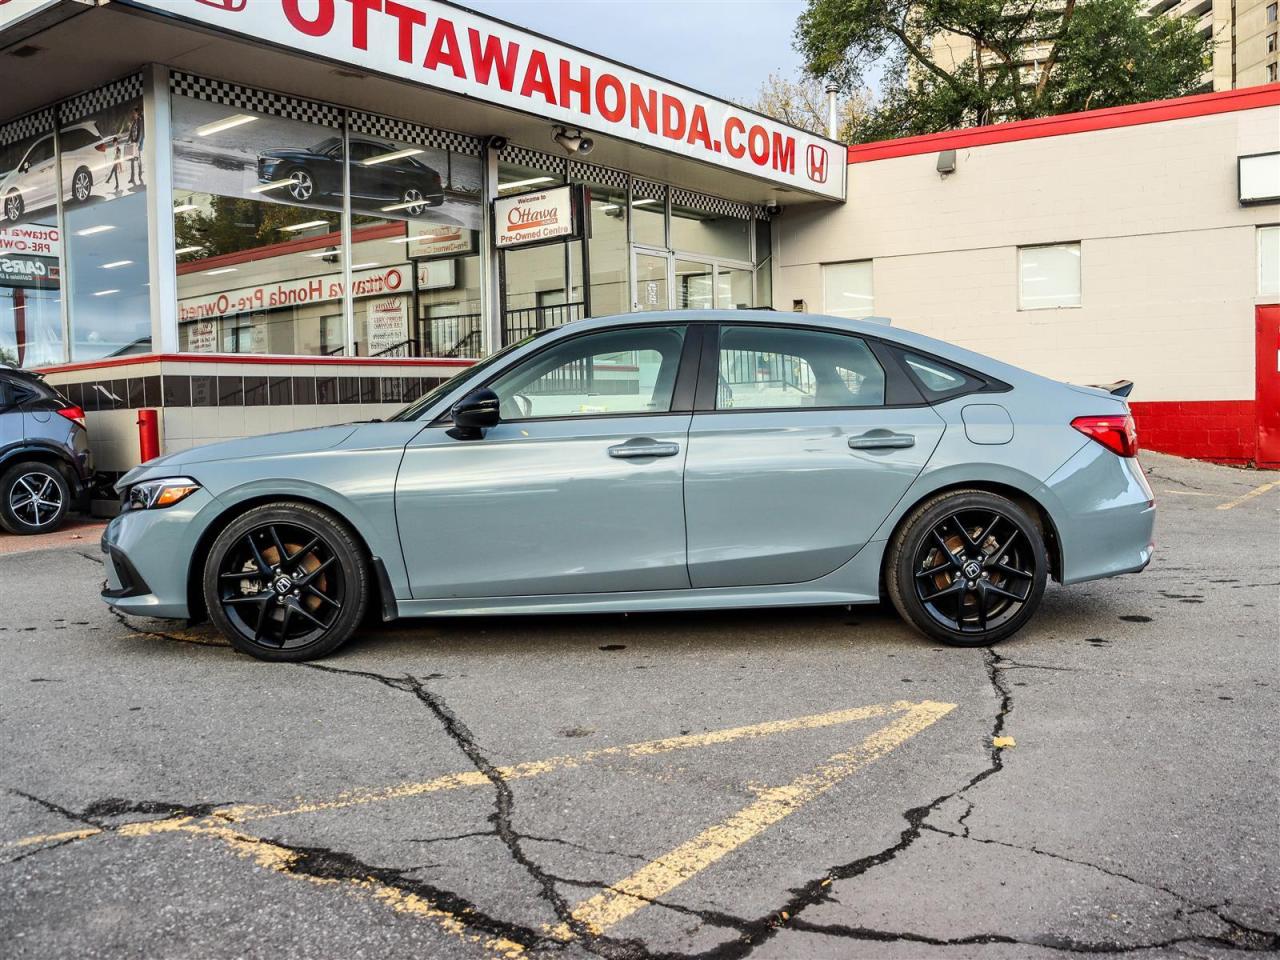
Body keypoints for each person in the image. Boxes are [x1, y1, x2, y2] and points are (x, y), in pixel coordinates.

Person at [126, 105, 143, 187]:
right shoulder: (133, 122)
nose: (133, 114)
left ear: (137, 113)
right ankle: (132, 177)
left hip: (137, 143)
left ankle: (140, 174)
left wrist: (138, 143)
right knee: (132, 160)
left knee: (138, 159)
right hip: (133, 143)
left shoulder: (139, 121)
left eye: (134, 113)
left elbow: (140, 132)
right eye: (133, 113)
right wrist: (127, 140)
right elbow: (130, 133)